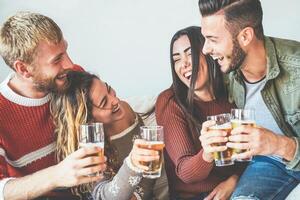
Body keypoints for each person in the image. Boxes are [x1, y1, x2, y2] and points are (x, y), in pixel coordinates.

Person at [198, 0, 300, 199]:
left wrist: (279, 145)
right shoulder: (227, 72)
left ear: (245, 36)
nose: (205, 49)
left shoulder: (297, 68)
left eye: (213, 39)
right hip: (269, 165)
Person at [0, 12, 106, 199]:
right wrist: (57, 175)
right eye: (57, 59)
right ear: (24, 69)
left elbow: (112, 114)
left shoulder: (72, 78)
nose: (71, 64)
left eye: (65, 51)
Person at [155, 26, 246, 200]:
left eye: (190, 53)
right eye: (177, 59)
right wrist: (207, 153)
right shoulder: (170, 102)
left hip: (238, 188)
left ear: (207, 52)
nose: (185, 63)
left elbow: (250, 154)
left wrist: (235, 180)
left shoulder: (234, 92)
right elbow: (185, 171)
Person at [50, 70, 169, 199]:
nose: (115, 100)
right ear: (89, 120)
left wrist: (138, 195)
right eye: (104, 102)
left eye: (108, 89)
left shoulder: (125, 110)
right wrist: (133, 164)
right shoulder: (87, 145)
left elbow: (149, 168)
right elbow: (103, 196)